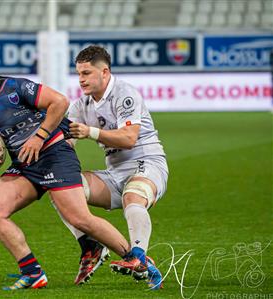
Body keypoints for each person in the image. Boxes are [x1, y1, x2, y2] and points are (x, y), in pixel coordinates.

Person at [0, 46, 132, 291]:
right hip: (24, 164)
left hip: (54, 154)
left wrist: (39, 136)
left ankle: (135, 258)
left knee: (79, 218)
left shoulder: (15, 88)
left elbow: (59, 102)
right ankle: (32, 273)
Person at [63, 45, 168, 290]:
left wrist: (90, 132)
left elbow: (129, 138)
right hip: (114, 173)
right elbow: (66, 141)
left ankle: (139, 256)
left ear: (105, 72)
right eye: (79, 74)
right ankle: (91, 248)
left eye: (87, 73)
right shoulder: (81, 105)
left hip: (147, 162)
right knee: (63, 189)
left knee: (134, 197)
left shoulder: (125, 94)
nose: (81, 79)